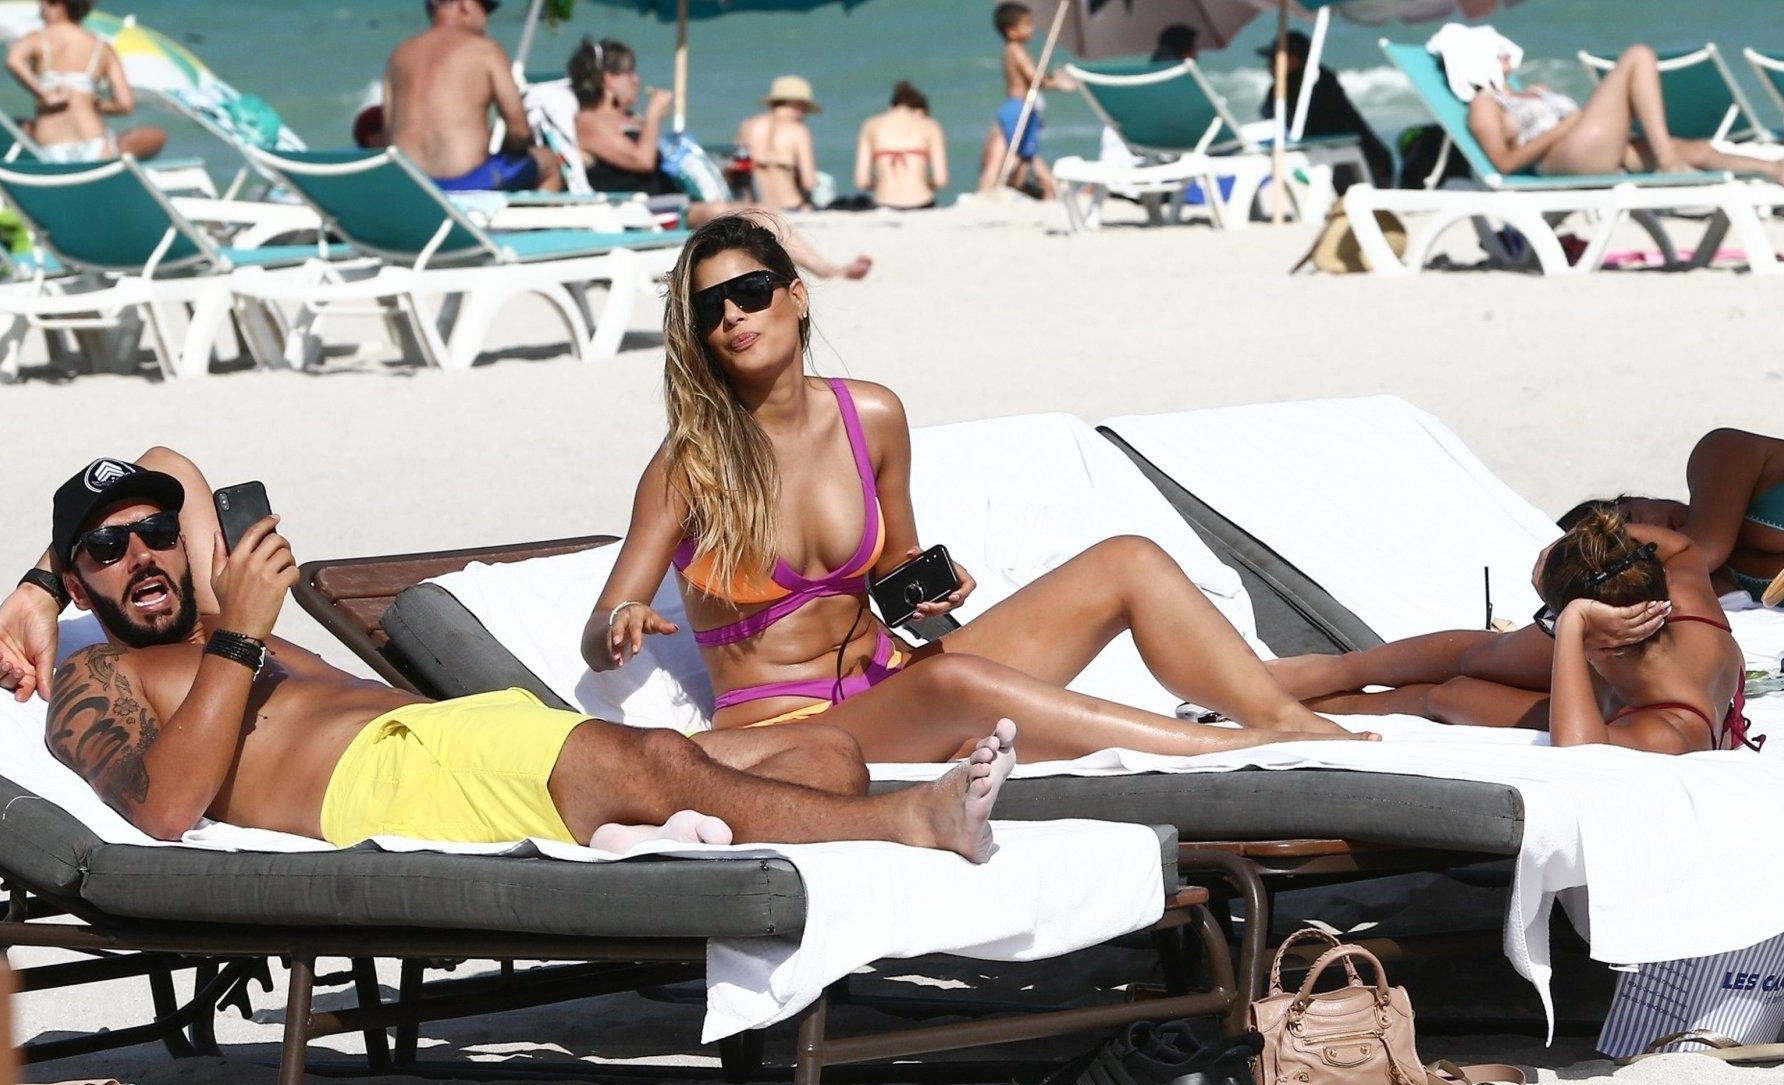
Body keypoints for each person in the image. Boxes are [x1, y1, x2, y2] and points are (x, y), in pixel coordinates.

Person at [582, 215, 1372, 765]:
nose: (732, 314)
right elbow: (599, 627)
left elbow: (891, 569)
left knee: (1127, 560)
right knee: (949, 681)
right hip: (786, 733)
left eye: (751, 290)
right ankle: (1237, 750)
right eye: (709, 306)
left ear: (796, 295)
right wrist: (622, 621)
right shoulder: (691, 465)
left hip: (893, 681)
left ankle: (1286, 721)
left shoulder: (871, 417)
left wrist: (926, 580)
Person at [0, 450, 1019, 862]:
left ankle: (643, 834)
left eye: (155, 534)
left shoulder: (207, 611)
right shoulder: (97, 676)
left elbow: (166, 462)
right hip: (384, 780)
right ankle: (912, 821)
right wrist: (242, 630)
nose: (141, 556)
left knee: (827, 753)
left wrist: (40, 580)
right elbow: (163, 808)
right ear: (86, 586)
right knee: (659, 760)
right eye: (105, 552)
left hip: (462, 734)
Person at [1270, 511, 1756, 755]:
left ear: (1598, 641)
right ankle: (1283, 681)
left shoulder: (1671, 729)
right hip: (1621, 672)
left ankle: (1302, 705)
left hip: (1620, 700)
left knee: (1449, 696)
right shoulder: (1689, 607)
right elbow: (1681, 548)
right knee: (1478, 656)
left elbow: (1579, 753)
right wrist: (1574, 548)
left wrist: (1570, 624)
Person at [568, 38, 869, 279]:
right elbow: (642, 162)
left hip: (668, 203)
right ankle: (824, 270)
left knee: (758, 212)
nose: (636, 80)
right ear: (608, 79)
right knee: (748, 214)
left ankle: (819, 269)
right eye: (629, 73)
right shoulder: (589, 122)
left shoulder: (626, 118)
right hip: (643, 212)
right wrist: (654, 116)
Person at [1454, 34, 1784, 189]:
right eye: (1498, 52)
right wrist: (1564, 128)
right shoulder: (1484, 106)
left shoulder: (1530, 90)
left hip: (1587, 146)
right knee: (1638, 56)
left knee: (1697, 150)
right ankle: (1666, 160)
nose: (1507, 55)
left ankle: (1779, 168)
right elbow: (1503, 164)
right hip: (1562, 157)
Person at [1570, 428, 1784, 609]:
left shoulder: (1715, 453)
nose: (1651, 529)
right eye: (1628, 543)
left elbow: (1705, 549)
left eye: (1630, 516)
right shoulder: (1710, 585)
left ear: (1634, 497)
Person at [382, 0, 560, 192]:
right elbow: (520, 131)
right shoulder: (485, 50)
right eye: (484, 10)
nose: (486, 21)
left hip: (412, 184)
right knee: (548, 162)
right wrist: (512, 150)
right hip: (467, 181)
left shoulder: (399, 55)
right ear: (465, 5)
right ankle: (534, 212)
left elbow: (389, 136)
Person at [2, 0, 165, 163]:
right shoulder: (102, 47)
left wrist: (45, 94)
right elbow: (125, 104)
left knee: (15, 124)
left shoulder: (39, 38)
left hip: (51, 146)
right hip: (95, 144)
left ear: (58, 5)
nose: (40, 12)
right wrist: (94, 104)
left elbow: (13, 60)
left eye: (43, 5)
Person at [1259, 28, 1392, 191]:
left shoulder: (1317, 82)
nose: (1269, 65)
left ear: (1294, 59)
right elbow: (1270, 117)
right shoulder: (1281, 87)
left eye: (1274, 59)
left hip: (1367, 164)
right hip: (1335, 160)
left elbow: (1298, 123)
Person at [977, 2, 1075, 200]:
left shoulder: (1009, 50)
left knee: (1013, 157)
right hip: (1019, 108)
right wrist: (1059, 83)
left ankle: (987, 193)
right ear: (1011, 30)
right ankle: (1052, 190)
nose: (1032, 28)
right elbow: (1035, 79)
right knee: (1024, 156)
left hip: (1014, 107)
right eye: (1027, 24)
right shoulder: (1017, 50)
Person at [735, 75, 822, 212]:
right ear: (797, 104)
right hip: (790, 205)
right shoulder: (798, 131)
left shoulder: (748, 126)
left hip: (756, 207)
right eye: (805, 107)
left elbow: (736, 170)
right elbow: (808, 182)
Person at [854, 82, 947, 211]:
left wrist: (881, 181)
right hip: (922, 203)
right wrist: (921, 180)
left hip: (883, 203)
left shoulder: (869, 125)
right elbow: (941, 181)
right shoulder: (931, 125)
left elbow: (861, 182)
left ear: (890, 108)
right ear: (920, 111)